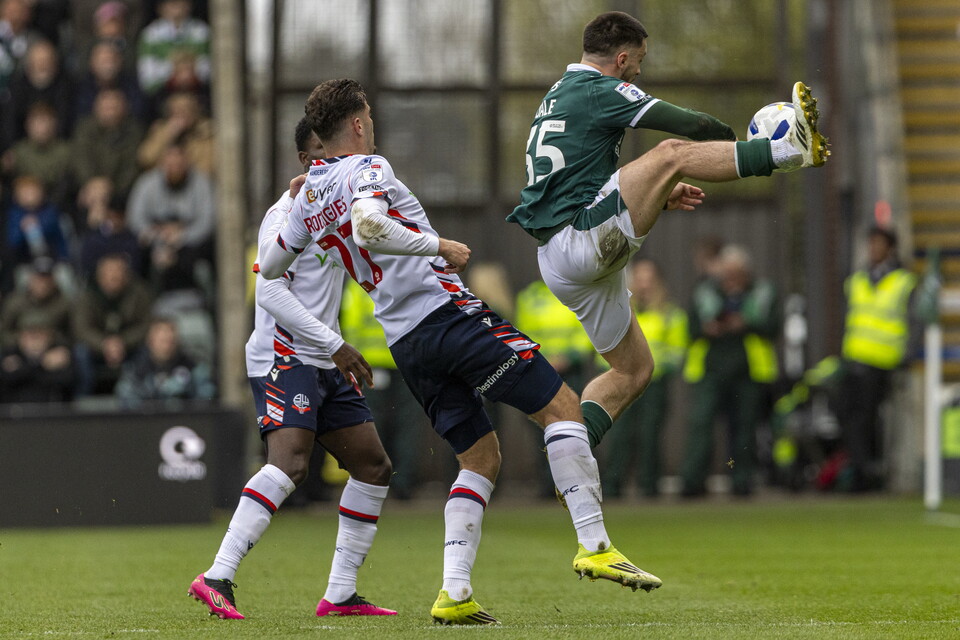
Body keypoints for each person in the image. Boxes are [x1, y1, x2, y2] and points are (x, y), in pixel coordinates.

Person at [258, 79, 662, 626]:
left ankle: (454, 592)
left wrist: (306, 209)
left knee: (480, 457)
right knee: (563, 410)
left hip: (406, 343)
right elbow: (370, 224)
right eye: (369, 115)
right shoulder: (369, 167)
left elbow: (273, 271)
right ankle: (594, 544)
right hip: (446, 315)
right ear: (357, 124)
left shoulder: (306, 197)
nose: (372, 123)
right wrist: (437, 245)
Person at [506, 11, 828, 450]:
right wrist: (744, 146)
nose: (640, 70)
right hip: (579, 238)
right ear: (621, 58)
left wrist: (656, 194)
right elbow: (691, 128)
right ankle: (790, 152)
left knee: (633, 371)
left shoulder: (558, 94)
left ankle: (570, 450)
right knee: (671, 154)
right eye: (639, 60)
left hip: (557, 259)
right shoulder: (600, 88)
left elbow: (578, 180)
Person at [188, 117, 397, 620]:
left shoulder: (334, 209)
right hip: (284, 353)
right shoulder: (283, 217)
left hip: (323, 356)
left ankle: (341, 593)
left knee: (373, 466)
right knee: (291, 464)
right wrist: (337, 344)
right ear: (307, 160)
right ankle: (218, 575)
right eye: (331, 151)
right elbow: (270, 292)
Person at [679, 245, 779, 496]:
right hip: (710, 370)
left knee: (744, 429)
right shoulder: (705, 292)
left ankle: (742, 481)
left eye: (737, 273)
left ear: (747, 272)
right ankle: (693, 481)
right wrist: (709, 328)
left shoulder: (763, 292)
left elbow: (775, 326)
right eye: (727, 273)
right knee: (701, 425)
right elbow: (690, 329)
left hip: (749, 371)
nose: (731, 278)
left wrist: (747, 323)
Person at [601, 257, 688, 498]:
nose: (644, 284)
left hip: (654, 383)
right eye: (639, 279)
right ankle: (613, 486)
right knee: (620, 435)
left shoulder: (671, 314)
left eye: (649, 279)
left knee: (650, 434)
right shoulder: (620, 312)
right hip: (622, 383)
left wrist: (647, 368)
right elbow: (604, 349)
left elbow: (677, 352)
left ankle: (649, 486)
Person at [838, 226, 917, 491]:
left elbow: (914, 322)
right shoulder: (858, 278)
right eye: (870, 243)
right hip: (855, 358)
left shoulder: (903, 281)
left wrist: (906, 356)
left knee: (870, 420)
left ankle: (869, 473)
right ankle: (861, 470)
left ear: (890, 248)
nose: (873, 248)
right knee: (852, 417)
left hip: (883, 361)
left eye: (878, 243)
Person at [514, 278, 593, 498]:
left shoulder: (577, 291)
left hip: (572, 369)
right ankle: (549, 484)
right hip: (538, 368)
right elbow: (521, 333)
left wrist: (569, 357)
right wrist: (542, 359)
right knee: (542, 428)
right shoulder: (529, 297)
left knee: (576, 426)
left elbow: (586, 330)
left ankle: (579, 483)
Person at [73, 252, 153, 394]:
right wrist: (104, 344)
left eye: (118, 272)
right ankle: (83, 398)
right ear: (99, 275)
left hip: (129, 346)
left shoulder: (139, 292)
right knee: (80, 352)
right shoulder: (87, 294)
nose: (113, 277)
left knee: (147, 350)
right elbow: (82, 328)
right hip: (97, 348)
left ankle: (140, 395)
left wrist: (123, 342)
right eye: (109, 273)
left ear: (126, 274)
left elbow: (146, 325)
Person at [114, 315, 214, 407]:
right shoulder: (135, 369)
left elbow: (205, 397)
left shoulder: (192, 366)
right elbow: (126, 398)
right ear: (150, 341)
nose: (167, 345)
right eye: (163, 341)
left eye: (170, 341)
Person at [72, 88, 145, 198]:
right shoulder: (85, 129)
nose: (110, 112)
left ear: (124, 108)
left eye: (114, 108)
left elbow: (131, 166)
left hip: (121, 191)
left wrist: (111, 188)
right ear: (96, 108)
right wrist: (91, 183)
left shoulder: (133, 131)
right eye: (106, 108)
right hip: (88, 188)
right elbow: (81, 160)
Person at [0, 312, 75, 403]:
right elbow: (6, 379)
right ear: (19, 337)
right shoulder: (9, 353)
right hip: (13, 411)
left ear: (50, 336)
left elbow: (68, 381)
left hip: (53, 411)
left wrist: (23, 369)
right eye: (29, 334)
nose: (34, 339)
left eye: (40, 334)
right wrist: (42, 363)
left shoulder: (60, 353)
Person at [0, 255, 72, 350]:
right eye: (38, 278)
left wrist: (52, 338)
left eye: (47, 278)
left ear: (54, 280)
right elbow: (3, 332)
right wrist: (20, 339)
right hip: (18, 350)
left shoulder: (65, 303)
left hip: (54, 349)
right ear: (30, 278)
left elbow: (74, 334)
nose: (43, 283)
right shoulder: (15, 301)